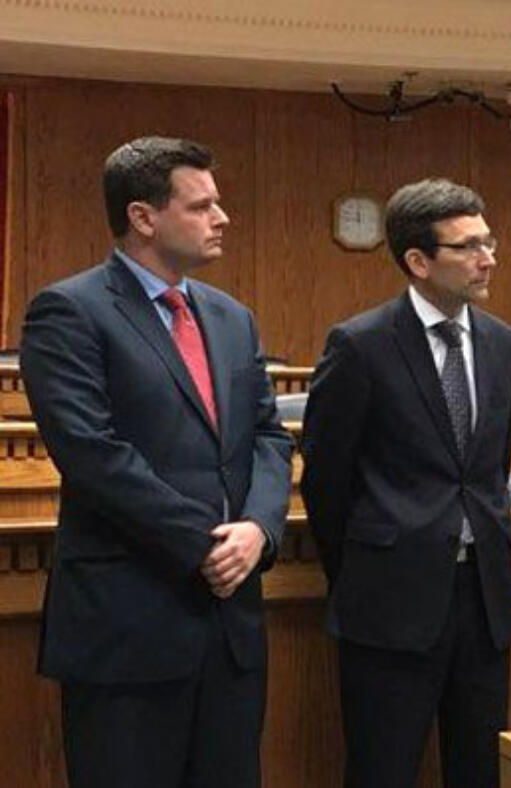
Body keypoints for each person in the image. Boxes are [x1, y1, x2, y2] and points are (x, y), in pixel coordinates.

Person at [20, 136, 293, 788]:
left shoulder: (231, 317)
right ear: (143, 217)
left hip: (229, 625)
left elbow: (269, 437)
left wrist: (259, 528)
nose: (222, 218)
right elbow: (92, 453)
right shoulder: (70, 311)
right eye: (201, 206)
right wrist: (201, 542)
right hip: (129, 621)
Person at [300, 178, 511, 787]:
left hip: (482, 600)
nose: (488, 257)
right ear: (418, 261)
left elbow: (491, 469)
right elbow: (326, 478)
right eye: (468, 247)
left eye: (489, 240)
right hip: (387, 600)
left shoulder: (505, 345)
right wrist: (363, 569)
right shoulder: (361, 344)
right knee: (383, 769)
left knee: (480, 770)